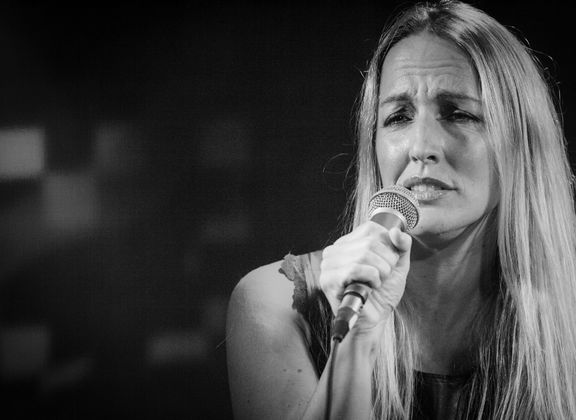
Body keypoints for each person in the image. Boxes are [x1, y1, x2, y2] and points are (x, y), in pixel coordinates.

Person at [226, 1, 576, 418]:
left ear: (522, 145)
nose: (421, 147)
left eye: (460, 113)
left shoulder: (566, 312)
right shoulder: (276, 303)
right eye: (398, 117)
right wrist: (359, 338)